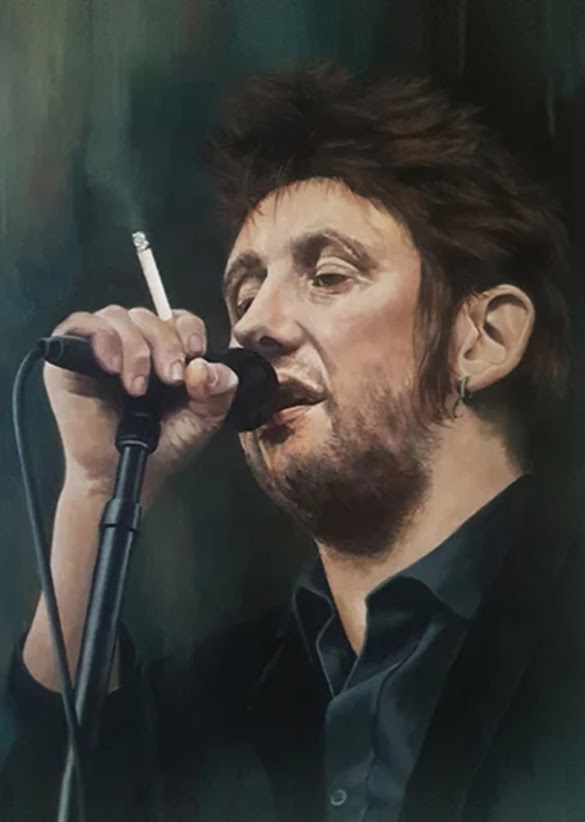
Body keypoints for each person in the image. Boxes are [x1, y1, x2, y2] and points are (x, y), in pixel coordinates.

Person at [1, 65, 584, 822]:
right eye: (244, 295)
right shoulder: (221, 696)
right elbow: (43, 793)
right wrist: (95, 491)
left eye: (329, 276)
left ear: (484, 340)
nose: (252, 327)